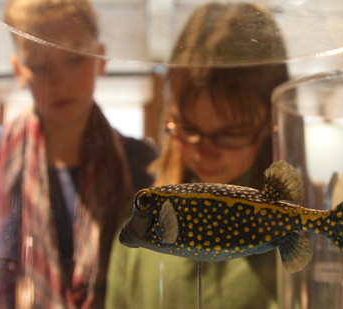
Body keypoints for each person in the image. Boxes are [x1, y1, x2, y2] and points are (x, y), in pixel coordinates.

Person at [0, 0, 156, 307]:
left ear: (100, 58)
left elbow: (150, 281)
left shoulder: (140, 160)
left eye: (75, 59)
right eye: (39, 64)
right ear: (19, 70)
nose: (59, 81)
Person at [106, 2, 288, 308]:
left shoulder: (291, 234)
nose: (206, 152)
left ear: (272, 123)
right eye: (188, 126)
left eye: (230, 133)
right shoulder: (137, 227)